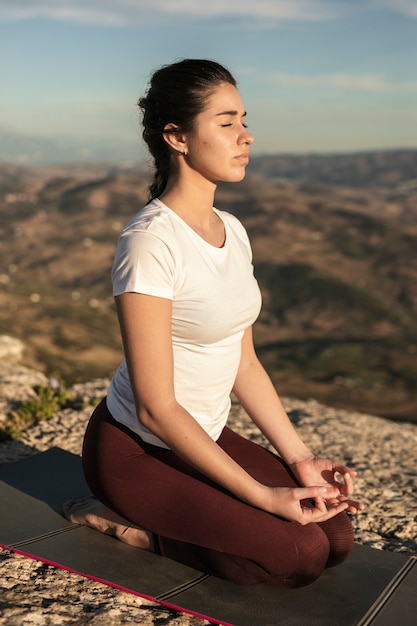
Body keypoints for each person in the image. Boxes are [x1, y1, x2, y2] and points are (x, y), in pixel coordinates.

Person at [64, 58, 364, 588]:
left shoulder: (231, 229)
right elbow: (156, 409)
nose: (245, 136)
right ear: (176, 137)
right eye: (226, 123)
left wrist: (300, 461)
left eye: (244, 120)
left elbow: (244, 360)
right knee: (299, 555)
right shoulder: (150, 242)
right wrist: (266, 497)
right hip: (137, 450)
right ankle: (128, 525)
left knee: (335, 535)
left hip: (201, 436)